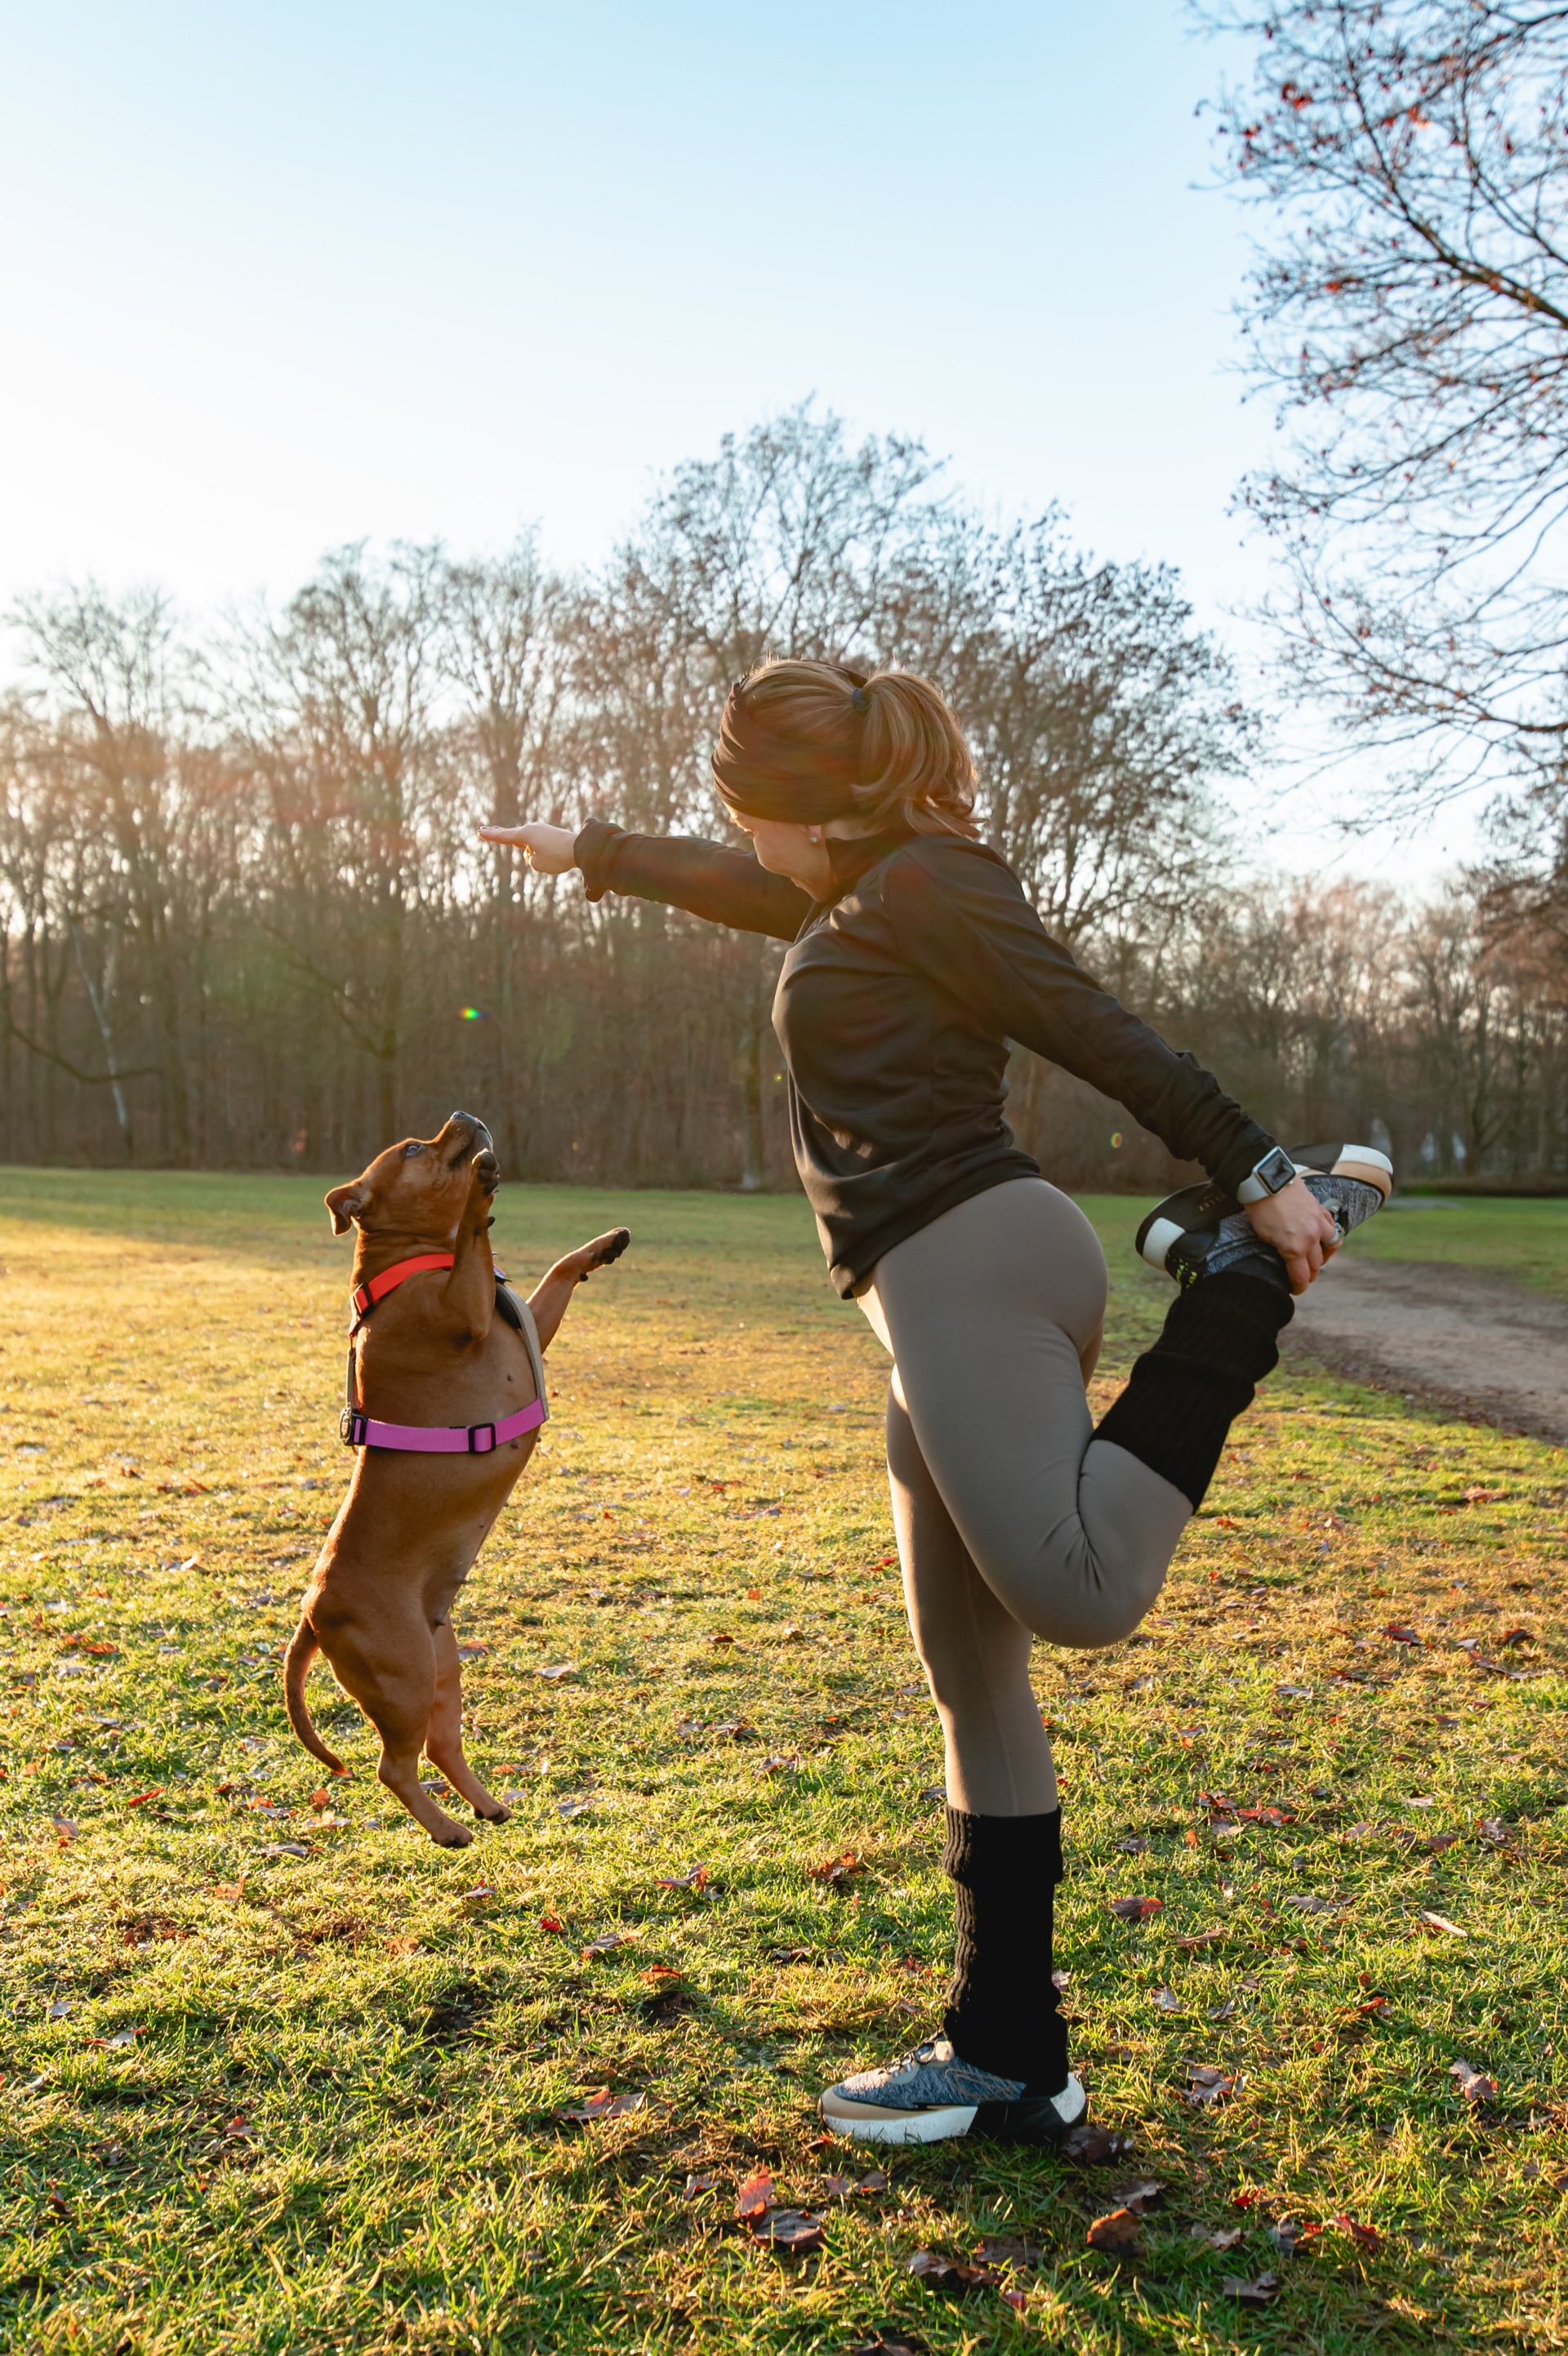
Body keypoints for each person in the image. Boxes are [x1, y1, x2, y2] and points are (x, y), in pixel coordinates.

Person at [482, 660, 1390, 2149]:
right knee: (971, 1673)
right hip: (928, 1303)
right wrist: (599, 852)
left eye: (746, 812)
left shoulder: (932, 886)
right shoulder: (854, 897)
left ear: (805, 809)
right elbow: (742, 883)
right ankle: (1009, 2052)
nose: (743, 837)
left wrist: (1263, 1173)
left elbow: (1093, 1025)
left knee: (1082, 1589)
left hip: (978, 1263)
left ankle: (1235, 1281)